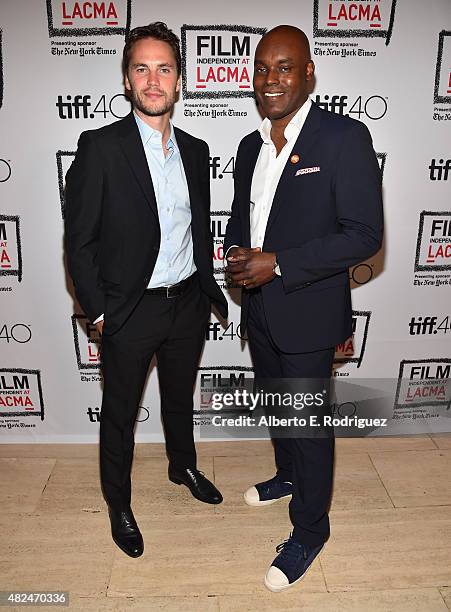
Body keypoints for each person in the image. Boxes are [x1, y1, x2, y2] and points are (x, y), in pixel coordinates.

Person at [224, 25, 383, 591]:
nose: (271, 79)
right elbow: (251, 222)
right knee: (278, 408)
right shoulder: (249, 147)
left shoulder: (343, 138)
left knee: (309, 426)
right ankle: (288, 477)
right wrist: (239, 259)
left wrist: (280, 263)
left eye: (285, 67)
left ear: (309, 73)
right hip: (260, 309)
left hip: (308, 312)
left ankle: (311, 530)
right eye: (262, 69)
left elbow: (365, 234)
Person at [65, 22, 228, 558]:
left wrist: (208, 289)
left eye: (164, 69)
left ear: (180, 80)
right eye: (142, 68)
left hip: (186, 303)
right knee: (120, 412)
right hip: (129, 310)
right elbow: (80, 242)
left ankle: (182, 466)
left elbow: (197, 226)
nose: (153, 80)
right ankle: (119, 503)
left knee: (179, 400)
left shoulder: (197, 151)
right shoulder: (100, 147)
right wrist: (101, 311)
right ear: (127, 79)